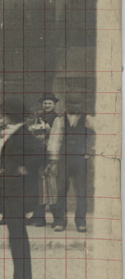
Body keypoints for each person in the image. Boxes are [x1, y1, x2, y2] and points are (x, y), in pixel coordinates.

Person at [0, 95, 45, 279]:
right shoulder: (18, 133)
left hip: (18, 194)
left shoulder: (23, 134)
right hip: (14, 192)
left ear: (10, 115)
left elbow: (41, 153)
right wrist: (4, 172)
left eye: (4, 113)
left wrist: (24, 169)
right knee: (17, 238)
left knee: (18, 239)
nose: (2, 117)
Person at [50, 94, 94, 233]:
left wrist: (92, 152)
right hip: (64, 160)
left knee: (81, 191)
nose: (75, 106)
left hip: (81, 160)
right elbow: (55, 140)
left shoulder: (88, 119)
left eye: (77, 103)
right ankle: (60, 222)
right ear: (66, 105)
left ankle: (81, 222)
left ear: (82, 105)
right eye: (71, 103)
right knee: (61, 190)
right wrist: (54, 160)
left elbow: (101, 135)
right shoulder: (60, 120)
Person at [30, 93, 59, 227]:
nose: (46, 105)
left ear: (54, 105)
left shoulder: (57, 118)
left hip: (50, 152)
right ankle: (38, 216)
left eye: (49, 103)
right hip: (38, 152)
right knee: (38, 186)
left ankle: (57, 218)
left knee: (51, 186)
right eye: (45, 103)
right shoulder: (38, 117)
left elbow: (58, 136)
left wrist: (49, 129)